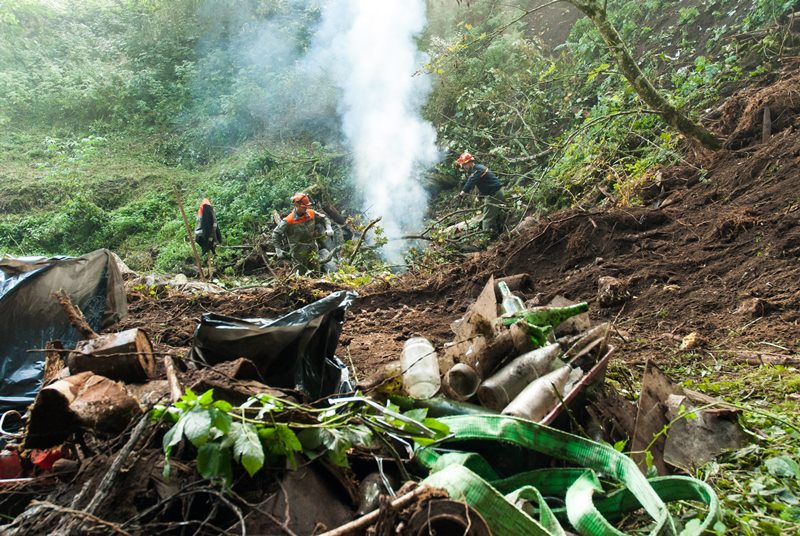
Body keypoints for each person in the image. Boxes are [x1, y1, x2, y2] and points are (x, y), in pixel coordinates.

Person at [272, 192, 335, 274]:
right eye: (303, 207)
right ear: (296, 205)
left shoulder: (311, 213)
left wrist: (329, 228)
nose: (306, 208)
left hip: (312, 248)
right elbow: (276, 234)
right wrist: (278, 249)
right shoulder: (289, 220)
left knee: (316, 272)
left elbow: (324, 218)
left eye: (307, 206)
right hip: (298, 252)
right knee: (300, 276)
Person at [455, 152, 505, 238]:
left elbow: (471, 181)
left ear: (470, 162)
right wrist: (479, 196)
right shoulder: (476, 169)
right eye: (463, 165)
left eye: (464, 165)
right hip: (493, 193)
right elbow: (482, 184)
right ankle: (494, 234)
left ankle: (487, 239)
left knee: (487, 219)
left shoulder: (477, 169)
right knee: (486, 214)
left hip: (495, 194)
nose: (464, 167)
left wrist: (462, 192)